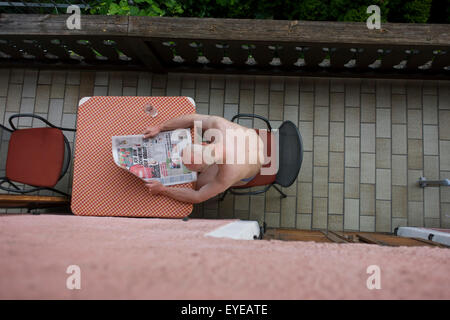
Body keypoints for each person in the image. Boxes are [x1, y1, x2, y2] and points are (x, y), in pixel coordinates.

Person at [143, 114, 266, 203]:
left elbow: (198, 196)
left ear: (207, 168)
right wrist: (160, 127)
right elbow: (192, 118)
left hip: (254, 165)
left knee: (198, 184)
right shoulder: (219, 125)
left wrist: (163, 190)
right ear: (203, 144)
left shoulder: (228, 174)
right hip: (255, 139)